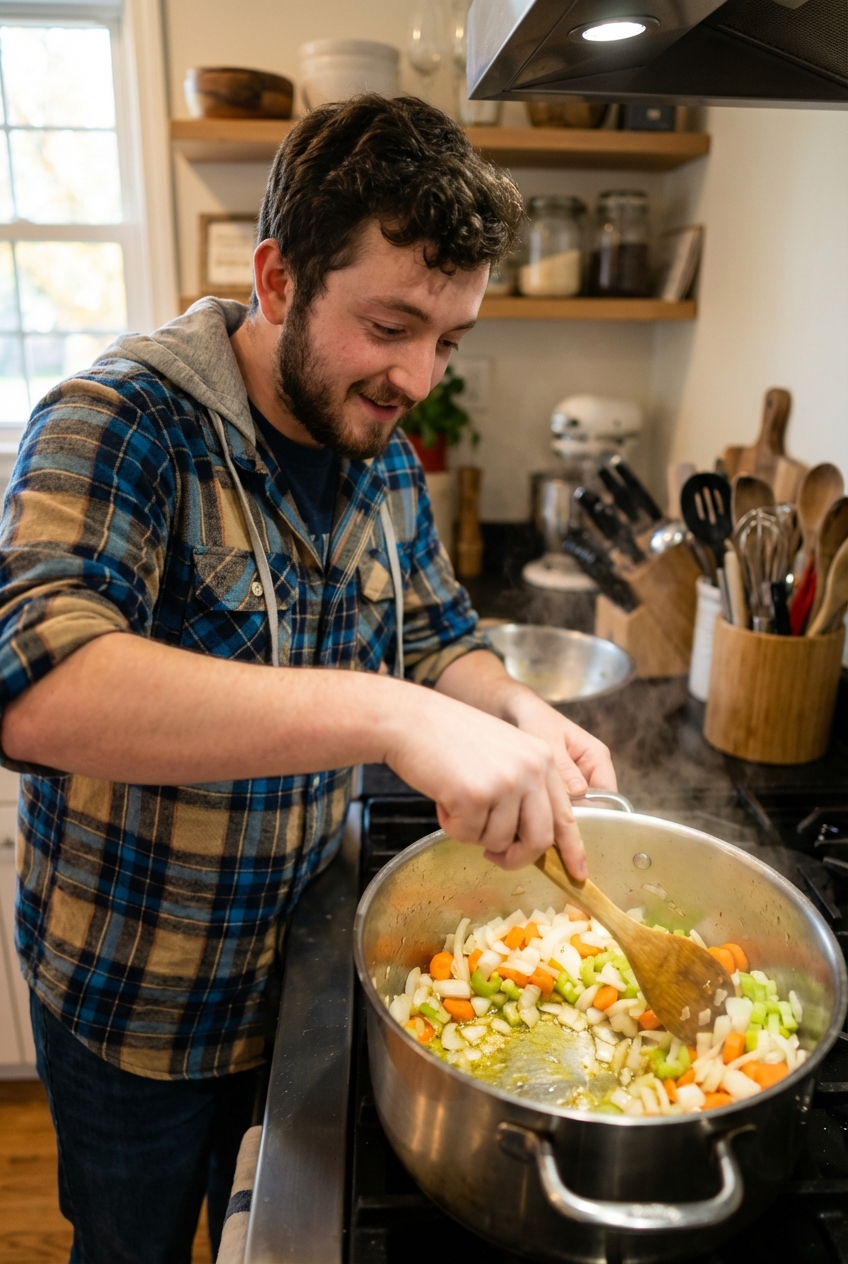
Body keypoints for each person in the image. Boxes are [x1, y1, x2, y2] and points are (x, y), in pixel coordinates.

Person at [0, 95, 615, 1263]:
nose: (415, 378)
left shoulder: (372, 443)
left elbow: (441, 638)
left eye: (447, 341)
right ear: (276, 278)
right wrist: (390, 712)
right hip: (139, 1003)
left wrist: (522, 716)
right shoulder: (120, 420)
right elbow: (38, 683)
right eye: (390, 325)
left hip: (304, 985)